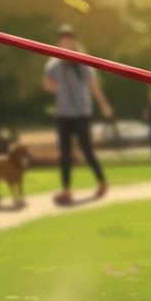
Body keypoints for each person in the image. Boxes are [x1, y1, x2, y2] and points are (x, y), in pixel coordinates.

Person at [42, 24, 112, 204]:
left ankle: (102, 181)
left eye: (69, 39)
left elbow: (93, 83)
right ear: (58, 42)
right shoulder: (54, 63)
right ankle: (66, 190)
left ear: (73, 41)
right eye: (63, 40)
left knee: (86, 149)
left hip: (81, 112)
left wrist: (103, 104)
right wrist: (51, 85)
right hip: (63, 114)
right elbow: (47, 84)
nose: (66, 42)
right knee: (64, 153)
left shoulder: (82, 61)